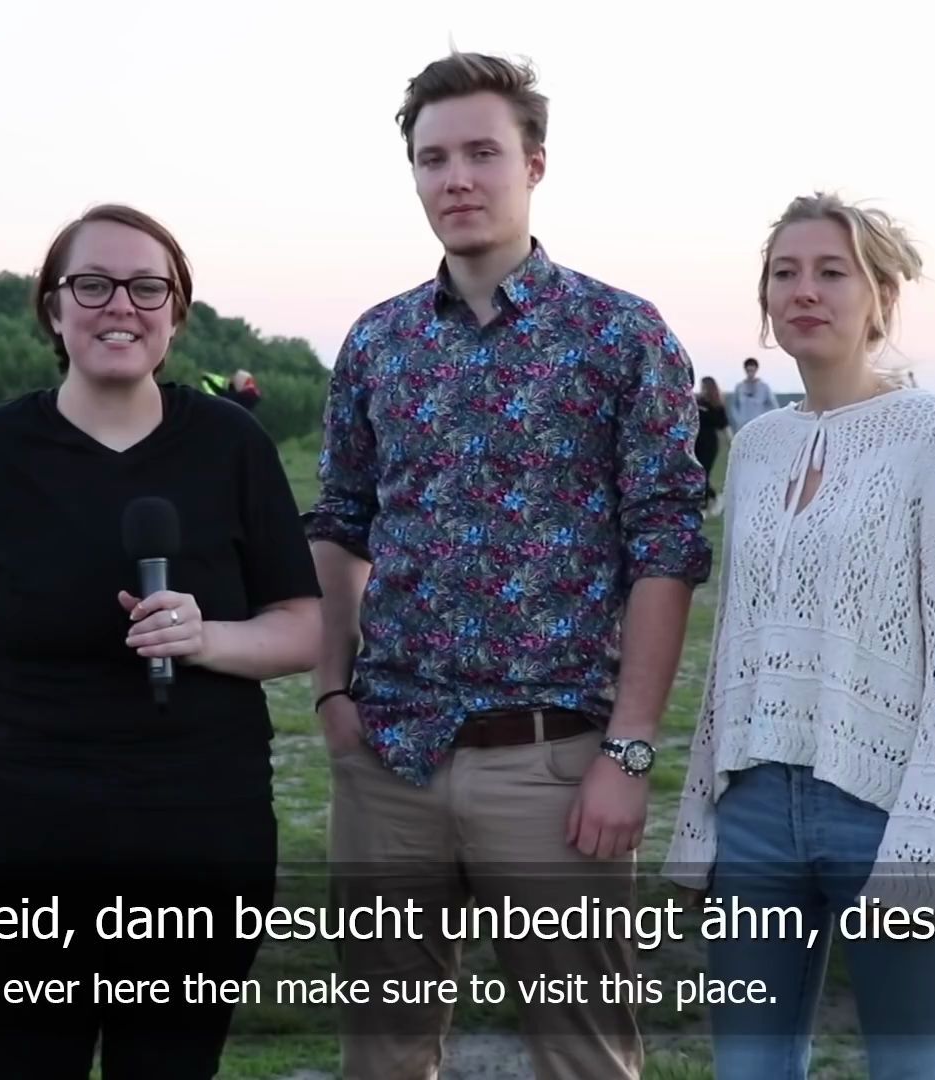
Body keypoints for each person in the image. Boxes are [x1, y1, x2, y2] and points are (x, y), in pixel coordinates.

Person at [303, 51, 712, 1080]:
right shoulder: (379, 342)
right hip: (389, 757)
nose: (457, 179)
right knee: (384, 1056)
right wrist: (330, 695)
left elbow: (666, 544)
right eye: (433, 159)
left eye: (482, 153)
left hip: (555, 761)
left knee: (584, 1058)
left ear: (534, 164)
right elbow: (341, 524)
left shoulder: (620, 334)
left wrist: (627, 752)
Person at [0, 203, 322, 1080]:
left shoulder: (232, 447)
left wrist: (208, 638)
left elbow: (303, 627)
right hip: (16, 823)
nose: (119, 305)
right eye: (91, 284)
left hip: (199, 824)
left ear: (177, 312)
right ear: (53, 308)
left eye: (146, 287)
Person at [664, 192, 935, 1079]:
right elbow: (735, 641)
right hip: (754, 817)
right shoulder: (760, 445)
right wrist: (703, 811)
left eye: (831, 271)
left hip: (885, 807)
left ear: (882, 296)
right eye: (785, 274)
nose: (803, 292)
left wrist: (931, 841)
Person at [694, 377, 731, 513]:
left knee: (704, 474)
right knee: (696, 474)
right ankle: (710, 499)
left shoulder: (716, 406)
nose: (702, 390)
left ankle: (710, 501)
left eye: (704, 387)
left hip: (709, 444)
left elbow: (724, 426)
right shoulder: (697, 402)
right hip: (695, 443)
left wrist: (732, 444)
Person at [729, 356, 779, 430]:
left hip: (759, 425)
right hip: (743, 425)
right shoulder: (739, 387)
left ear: (756, 370)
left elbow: (773, 405)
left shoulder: (764, 387)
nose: (750, 373)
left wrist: (766, 419)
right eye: (748, 370)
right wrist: (738, 419)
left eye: (752, 370)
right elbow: (734, 406)